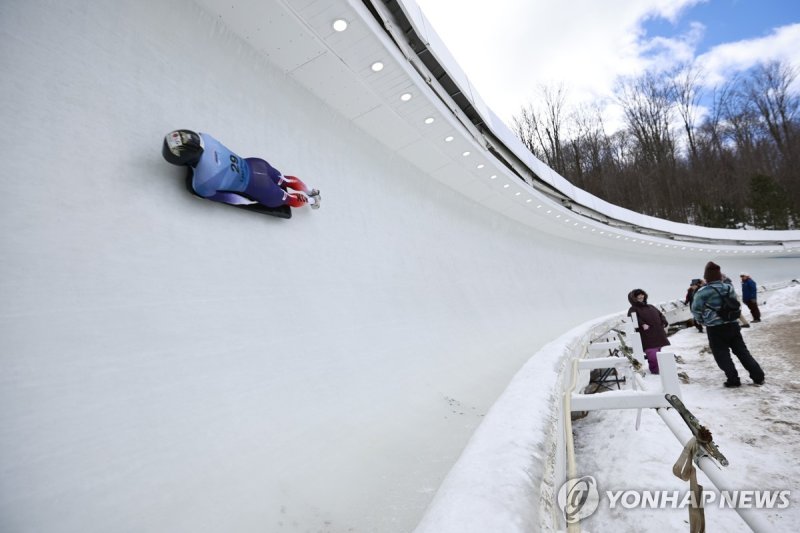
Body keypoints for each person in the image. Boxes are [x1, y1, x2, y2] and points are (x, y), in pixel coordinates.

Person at [162, 130, 321, 210]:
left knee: (286, 198)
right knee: (284, 179)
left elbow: (229, 199)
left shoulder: (202, 182)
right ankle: (309, 190)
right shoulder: (205, 136)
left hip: (259, 187)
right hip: (256, 164)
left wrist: (249, 201)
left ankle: (313, 201)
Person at [692, 262, 765, 388]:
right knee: (742, 352)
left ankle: (733, 380)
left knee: (722, 355)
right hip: (732, 325)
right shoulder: (728, 287)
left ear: (707, 277)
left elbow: (696, 310)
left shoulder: (702, 292)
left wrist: (703, 321)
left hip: (715, 328)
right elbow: (735, 303)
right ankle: (758, 377)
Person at [627, 288, 670, 374]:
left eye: (642, 294)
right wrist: (642, 324)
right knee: (652, 355)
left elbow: (660, 314)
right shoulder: (633, 309)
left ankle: (659, 369)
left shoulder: (651, 306)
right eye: (637, 295)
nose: (640, 296)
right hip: (647, 336)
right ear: (633, 298)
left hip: (658, 333)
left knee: (658, 353)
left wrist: (664, 321)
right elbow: (632, 317)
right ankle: (655, 371)